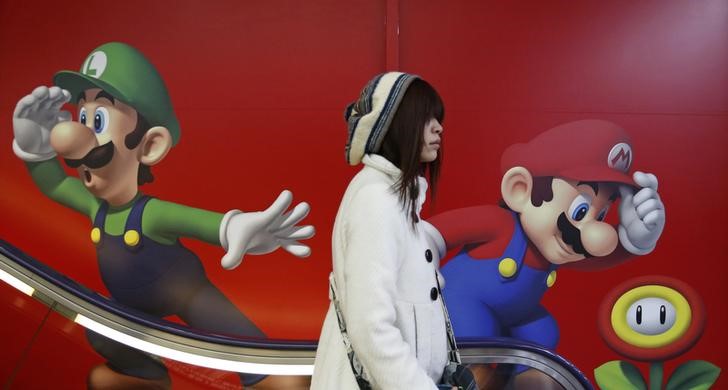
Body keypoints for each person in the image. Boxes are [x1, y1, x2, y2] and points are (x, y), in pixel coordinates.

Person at [11, 42, 314, 389]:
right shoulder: (97, 207)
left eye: (98, 120)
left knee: (245, 347)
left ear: (150, 144)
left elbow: (198, 222)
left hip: (186, 294)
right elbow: (55, 186)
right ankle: (148, 378)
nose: (76, 137)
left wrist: (235, 227)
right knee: (101, 334)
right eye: (82, 117)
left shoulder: (150, 214)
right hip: (128, 307)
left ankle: (267, 376)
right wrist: (36, 150)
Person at [311, 72, 456, 389]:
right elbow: (371, 326)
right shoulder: (378, 199)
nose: (438, 127)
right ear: (396, 123)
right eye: (426, 117)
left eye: (438, 118)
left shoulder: (395, 198)